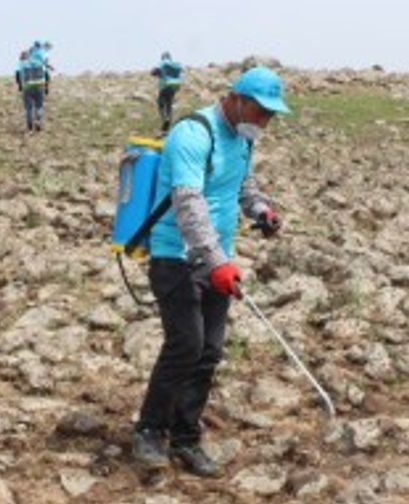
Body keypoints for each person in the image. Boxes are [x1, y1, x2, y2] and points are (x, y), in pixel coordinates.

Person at [131, 66, 288, 477]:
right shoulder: (193, 133)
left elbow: (240, 187)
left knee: (210, 351)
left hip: (218, 258)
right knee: (186, 343)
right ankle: (150, 429)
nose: (265, 121)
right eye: (260, 110)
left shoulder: (242, 139)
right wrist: (216, 261)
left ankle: (186, 437)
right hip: (175, 256)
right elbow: (188, 204)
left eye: (271, 114)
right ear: (236, 98)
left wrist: (261, 211)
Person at [151, 52, 184, 134]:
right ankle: (168, 127)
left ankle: (165, 119)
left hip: (165, 86)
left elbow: (155, 71)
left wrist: (153, 72)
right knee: (169, 105)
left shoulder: (164, 62)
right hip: (174, 87)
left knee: (161, 104)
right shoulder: (174, 64)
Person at [16, 49, 48, 132]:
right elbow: (46, 74)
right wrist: (46, 87)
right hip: (39, 86)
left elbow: (18, 75)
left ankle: (30, 126)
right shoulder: (38, 62)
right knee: (39, 106)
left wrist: (20, 86)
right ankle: (38, 122)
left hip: (27, 87)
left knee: (29, 108)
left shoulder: (22, 63)